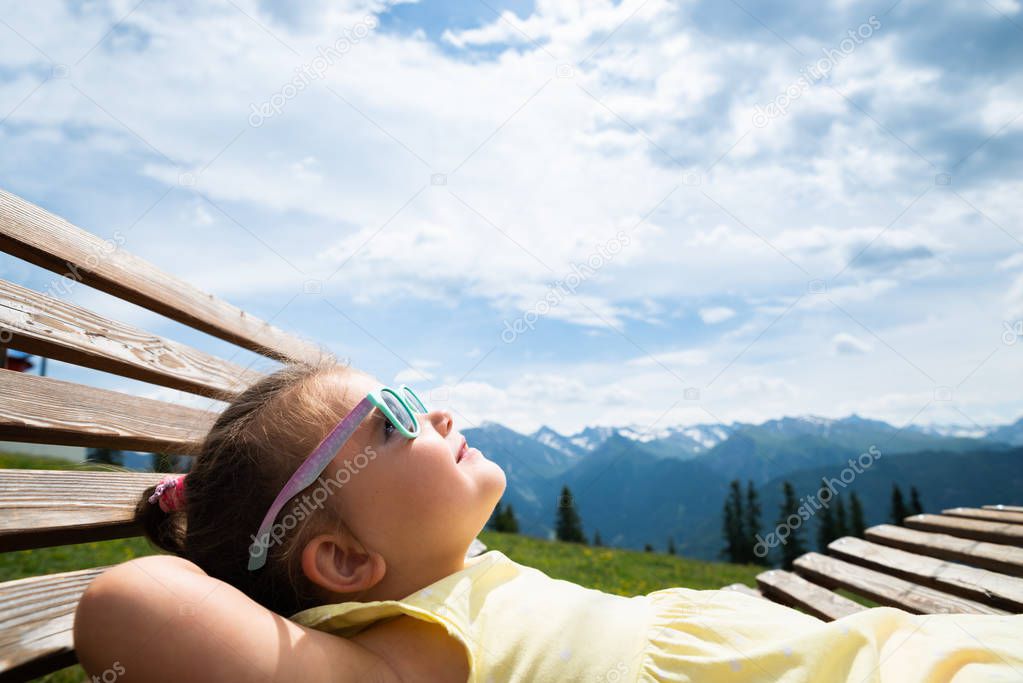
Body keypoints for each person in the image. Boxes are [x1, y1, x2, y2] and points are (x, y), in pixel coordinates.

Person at [73, 360, 1023, 682]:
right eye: (391, 417)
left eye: (412, 391)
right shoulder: (384, 660)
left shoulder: (441, 578)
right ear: (345, 560)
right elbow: (128, 598)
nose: (434, 411)